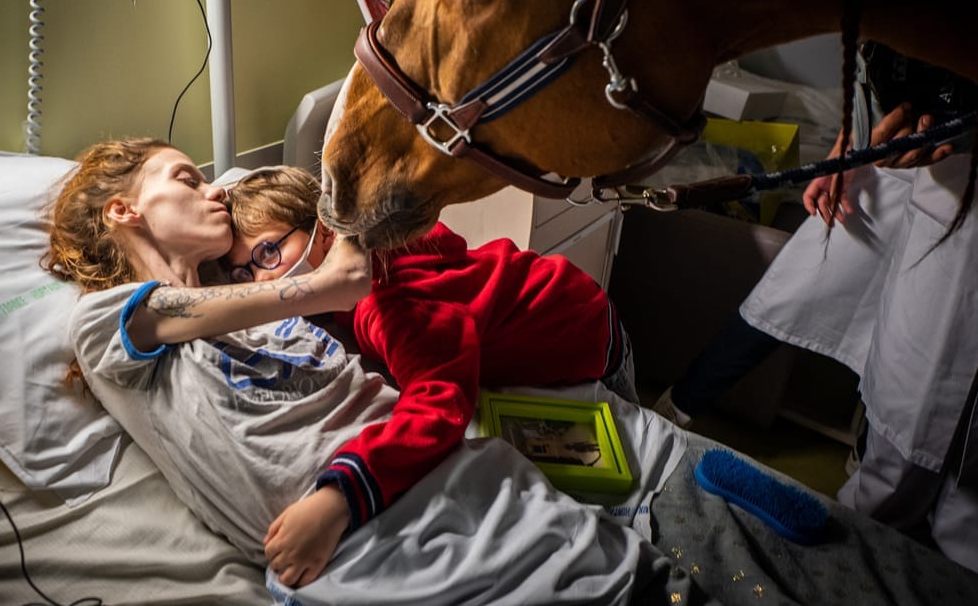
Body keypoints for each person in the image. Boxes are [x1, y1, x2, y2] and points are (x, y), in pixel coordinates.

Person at [44, 137, 696, 602]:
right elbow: (330, 291)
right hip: (389, 535)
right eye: (186, 178)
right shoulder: (107, 322)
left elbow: (376, 318)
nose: (213, 187)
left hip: (551, 372)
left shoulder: (310, 305)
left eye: (268, 253)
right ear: (125, 212)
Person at [222, 165, 637, 583]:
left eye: (267, 253)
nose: (261, 280)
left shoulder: (390, 301)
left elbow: (439, 402)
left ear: (325, 232)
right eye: (245, 272)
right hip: (551, 296)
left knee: (627, 469)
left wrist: (339, 498)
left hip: (587, 330)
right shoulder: (374, 256)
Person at [652, 44, 978, 573]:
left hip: (958, 181)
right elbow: (871, 68)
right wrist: (844, 153)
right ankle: (677, 407)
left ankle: (871, 494)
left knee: (914, 364)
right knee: (789, 290)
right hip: (887, 159)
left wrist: (960, 138)